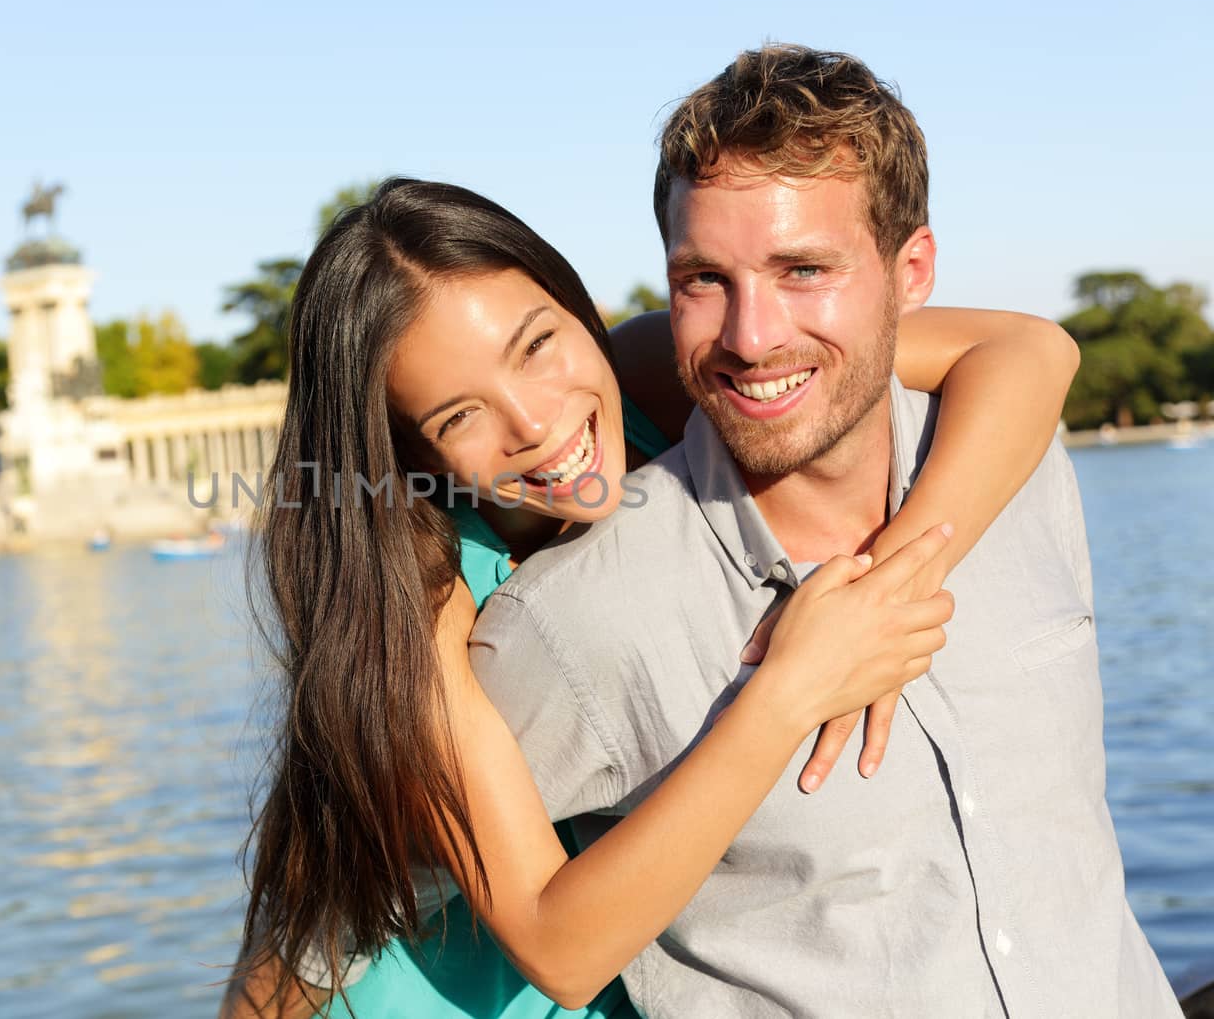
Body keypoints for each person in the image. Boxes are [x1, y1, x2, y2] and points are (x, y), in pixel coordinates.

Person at [223, 175, 1080, 1018]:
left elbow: (1030, 351)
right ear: (410, 451)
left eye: (537, 344)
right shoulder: (421, 603)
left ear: (572, 303)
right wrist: (792, 687)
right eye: (458, 417)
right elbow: (551, 947)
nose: (535, 422)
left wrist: (894, 580)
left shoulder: (640, 372)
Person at [466, 46, 1181, 1015]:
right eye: (703, 279)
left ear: (911, 270)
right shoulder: (574, 621)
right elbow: (352, 907)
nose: (752, 336)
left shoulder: (1023, 472)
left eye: (803, 268)